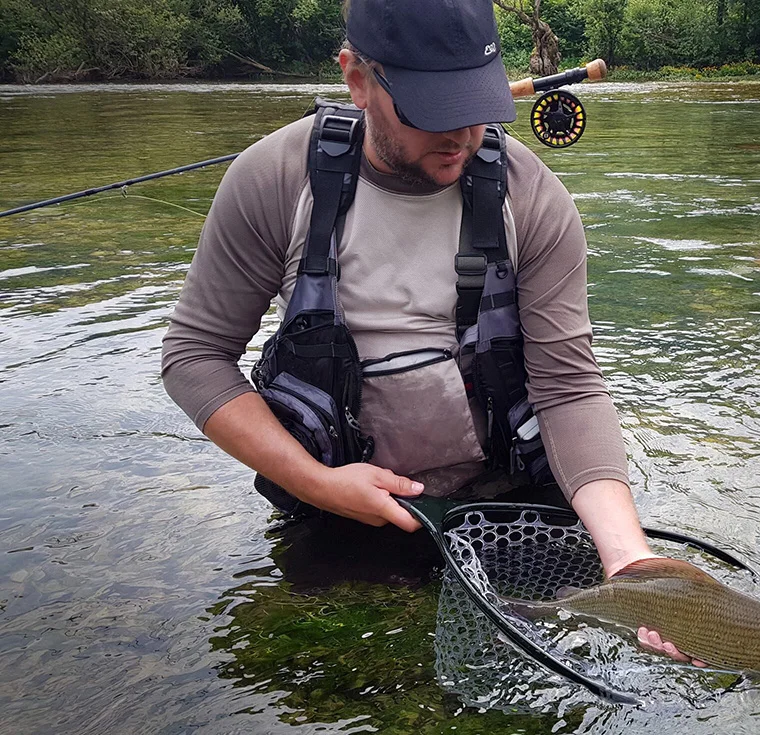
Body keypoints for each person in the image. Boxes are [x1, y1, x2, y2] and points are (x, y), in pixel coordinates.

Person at [161, 0, 704, 667]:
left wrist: (628, 557)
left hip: (511, 500)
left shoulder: (533, 198)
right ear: (356, 79)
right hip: (340, 500)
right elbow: (194, 356)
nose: (460, 135)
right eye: (428, 108)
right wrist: (315, 483)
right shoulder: (275, 179)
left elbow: (569, 387)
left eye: (474, 105)